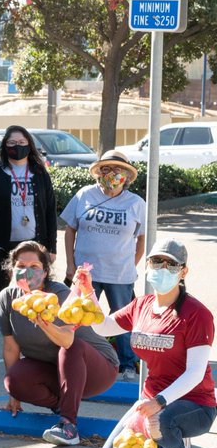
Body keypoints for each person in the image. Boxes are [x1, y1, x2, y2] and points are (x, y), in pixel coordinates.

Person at [96, 239, 215, 448]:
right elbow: (102, 327)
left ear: (183, 272)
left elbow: (194, 373)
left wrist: (158, 402)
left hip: (195, 403)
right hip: (151, 400)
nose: (162, 268)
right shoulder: (141, 305)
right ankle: (166, 429)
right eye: (156, 261)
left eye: (171, 264)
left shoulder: (197, 314)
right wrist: (85, 295)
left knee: (161, 420)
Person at [0, 242, 119, 446]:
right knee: (14, 380)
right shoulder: (7, 298)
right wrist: (14, 396)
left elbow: (67, 340)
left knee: (72, 347)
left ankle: (68, 425)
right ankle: (62, 406)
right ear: (12, 270)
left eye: (34, 267)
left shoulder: (59, 295)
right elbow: (11, 348)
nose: (26, 271)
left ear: (45, 272)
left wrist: (43, 322)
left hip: (97, 369)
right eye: (20, 266)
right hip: (56, 370)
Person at [0, 125, 57, 367]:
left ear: (29, 145)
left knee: (35, 298)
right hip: (1, 245)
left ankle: (32, 349)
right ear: (4, 147)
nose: (17, 147)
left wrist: (50, 248)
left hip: (33, 247)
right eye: (11, 143)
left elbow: (50, 211)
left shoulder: (40, 173)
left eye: (21, 142)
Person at [61, 150, 146, 382]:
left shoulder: (136, 203)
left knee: (123, 321)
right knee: (80, 318)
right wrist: (70, 264)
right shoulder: (84, 195)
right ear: (99, 173)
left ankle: (128, 365)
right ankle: (83, 361)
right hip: (86, 273)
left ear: (127, 176)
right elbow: (70, 230)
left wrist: (131, 264)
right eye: (106, 169)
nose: (112, 174)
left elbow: (141, 239)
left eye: (118, 170)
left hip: (120, 274)